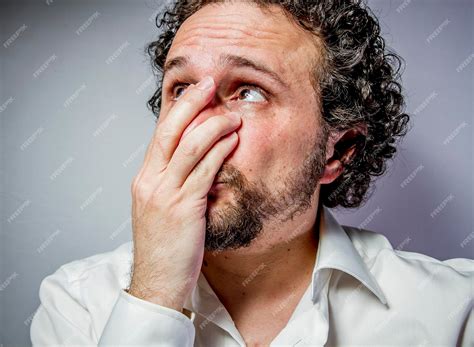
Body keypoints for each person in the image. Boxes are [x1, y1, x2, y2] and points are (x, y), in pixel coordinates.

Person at [31, 0, 473, 346]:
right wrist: (155, 298)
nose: (196, 125)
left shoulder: (455, 312)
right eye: (181, 89)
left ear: (337, 150)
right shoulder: (80, 304)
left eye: (248, 91)